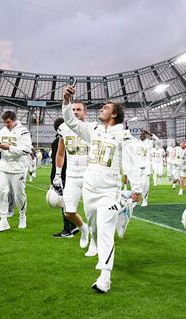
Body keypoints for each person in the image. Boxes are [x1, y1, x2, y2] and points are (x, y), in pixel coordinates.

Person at [62, 85, 142, 293]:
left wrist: (137, 190)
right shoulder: (93, 130)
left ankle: (104, 278)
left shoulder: (124, 136)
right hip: (89, 188)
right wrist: (66, 101)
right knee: (95, 228)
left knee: (106, 232)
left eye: (105, 107)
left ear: (114, 114)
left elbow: (133, 164)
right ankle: (123, 212)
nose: (101, 109)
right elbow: (70, 121)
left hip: (109, 191)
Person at [53, 101, 91, 253]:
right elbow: (60, 153)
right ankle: (84, 229)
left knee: (91, 212)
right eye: (73, 109)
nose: (75, 112)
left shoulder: (91, 128)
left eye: (79, 109)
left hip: (89, 175)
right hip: (71, 176)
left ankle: (94, 241)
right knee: (68, 212)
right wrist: (57, 173)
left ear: (85, 112)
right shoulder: (63, 128)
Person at [0, 111, 32, 232]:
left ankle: (22, 216)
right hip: (3, 166)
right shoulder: (3, 130)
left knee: (19, 194)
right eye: (4, 122)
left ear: (14, 120)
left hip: (18, 167)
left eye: (8, 122)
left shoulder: (23, 131)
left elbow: (26, 150)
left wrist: (9, 147)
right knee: (1, 192)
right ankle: (4, 220)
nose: (6, 124)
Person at [51, 118, 79, 239]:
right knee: (70, 202)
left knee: (64, 203)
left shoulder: (58, 141)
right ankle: (73, 226)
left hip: (63, 175)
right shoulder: (73, 138)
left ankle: (67, 230)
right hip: (72, 173)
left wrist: (55, 177)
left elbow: (57, 160)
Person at [136, 130, 159, 207]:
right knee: (138, 184)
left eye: (143, 134)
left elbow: (157, 140)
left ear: (146, 135)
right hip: (137, 166)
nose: (142, 135)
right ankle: (136, 199)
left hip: (146, 166)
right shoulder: (136, 142)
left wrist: (150, 133)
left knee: (145, 183)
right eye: (141, 134)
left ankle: (145, 200)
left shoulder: (149, 142)